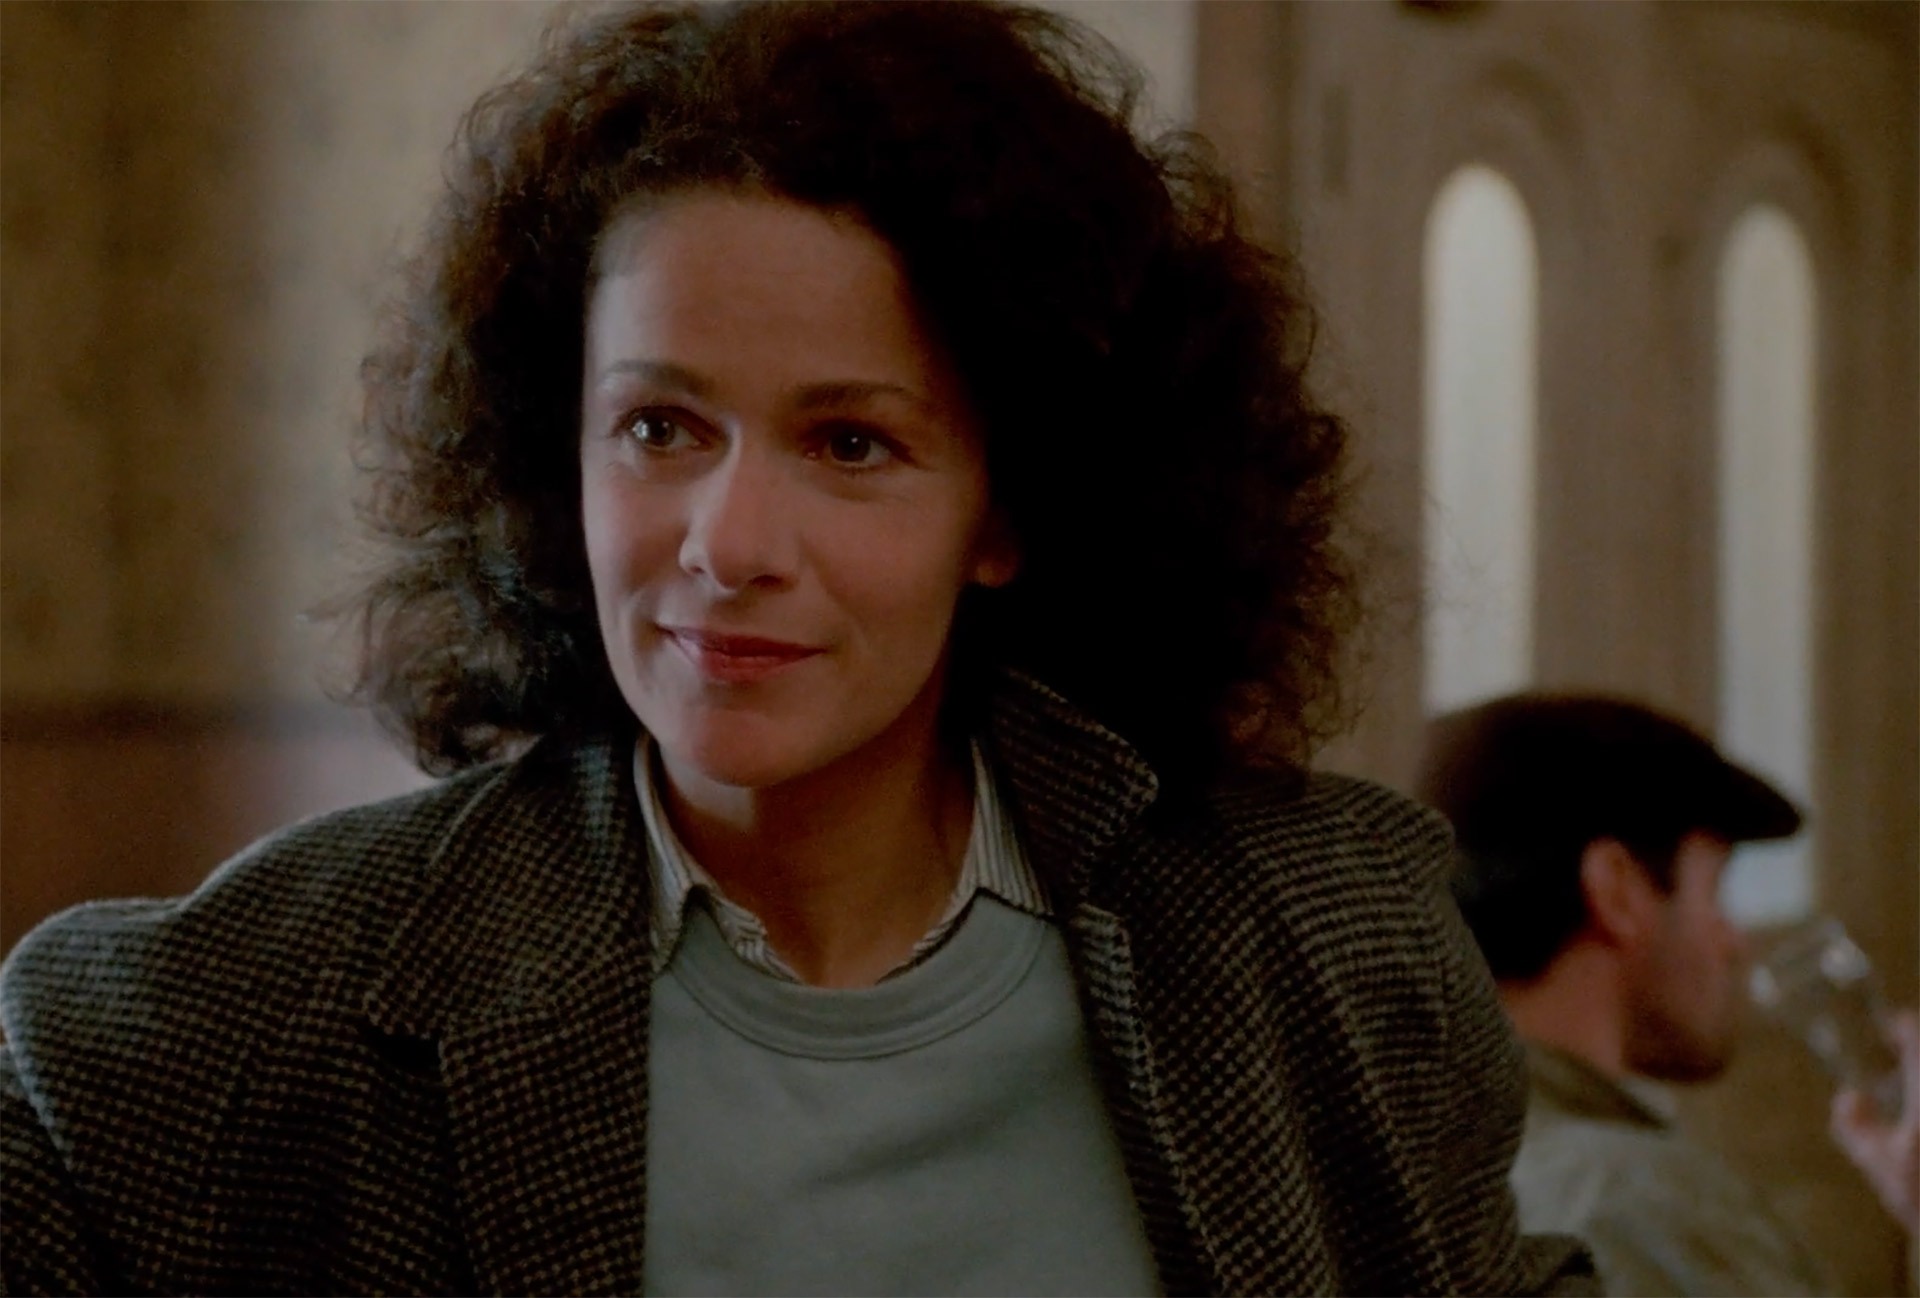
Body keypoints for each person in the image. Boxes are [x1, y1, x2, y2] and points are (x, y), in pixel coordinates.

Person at [0, 4, 1595, 1294]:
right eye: (659, 426)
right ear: (556, 456)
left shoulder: (1333, 944)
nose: (728, 540)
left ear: (1008, 510)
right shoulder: (253, 1015)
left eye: (850, 443)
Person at [1419, 691, 1919, 1296]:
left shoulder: (1404, 1176)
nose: (1734, 941)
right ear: (1617, 892)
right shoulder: (1642, 1202)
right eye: (1715, 891)